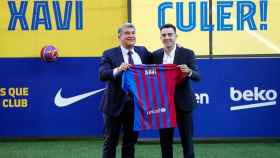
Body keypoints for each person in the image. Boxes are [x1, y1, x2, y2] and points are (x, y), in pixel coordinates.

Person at [98, 23, 151, 158]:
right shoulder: (109, 53)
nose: (131, 35)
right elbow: (103, 74)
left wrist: (173, 47)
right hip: (113, 105)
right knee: (110, 142)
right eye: (127, 33)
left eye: (133, 33)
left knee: (130, 143)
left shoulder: (143, 52)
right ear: (119, 36)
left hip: (135, 106)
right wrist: (118, 70)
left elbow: (159, 57)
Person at [152, 24, 201, 158]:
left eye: (170, 34)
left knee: (187, 142)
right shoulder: (155, 55)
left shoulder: (187, 53)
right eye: (164, 35)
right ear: (160, 37)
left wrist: (189, 71)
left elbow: (198, 76)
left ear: (175, 36)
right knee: (165, 143)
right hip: (163, 106)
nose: (167, 37)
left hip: (184, 104)